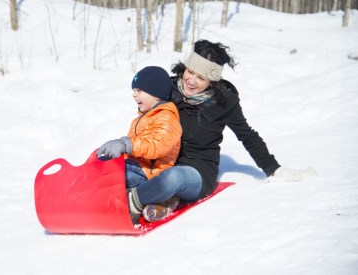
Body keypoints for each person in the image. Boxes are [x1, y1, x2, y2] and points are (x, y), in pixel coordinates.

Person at [126, 39, 316, 222]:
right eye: (190, 71)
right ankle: (163, 201)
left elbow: (247, 135)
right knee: (121, 167)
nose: (191, 81)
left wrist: (273, 169)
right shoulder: (169, 88)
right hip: (160, 161)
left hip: (196, 170)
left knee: (174, 178)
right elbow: (146, 119)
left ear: (212, 80)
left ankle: (129, 203)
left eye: (201, 77)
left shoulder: (224, 102)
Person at [96, 66, 182, 223]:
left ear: (156, 94)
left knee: (115, 176)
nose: (134, 95)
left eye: (139, 90)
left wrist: (126, 144)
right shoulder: (141, 118)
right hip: (136, 167)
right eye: (134, 90)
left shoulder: (167, 118)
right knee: (100, 167)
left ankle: (149, 203)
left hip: (150, 174)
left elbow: (157, 145)